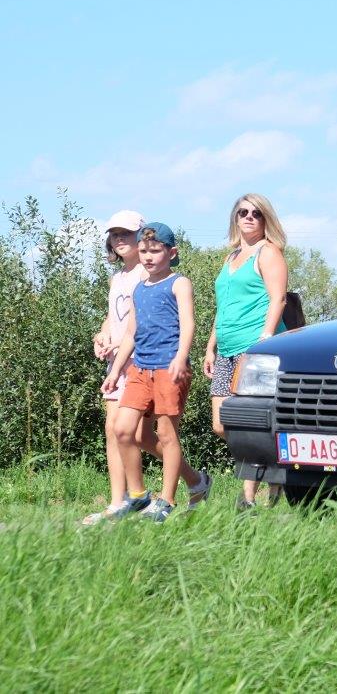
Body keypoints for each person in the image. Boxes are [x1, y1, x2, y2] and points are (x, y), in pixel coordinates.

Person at [82, 212, 210, 526]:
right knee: (124, 430)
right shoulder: (138, 288)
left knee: (166, 434)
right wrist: (114, 371)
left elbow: (188, 324)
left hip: (168, 367)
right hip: (139, 367)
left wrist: (181, 358)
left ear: (171, 252)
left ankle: (166, 500)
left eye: (154, 250)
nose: (148, 256)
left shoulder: (179, 283)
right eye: (145, 251)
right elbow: (130, 332)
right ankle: (138, 494)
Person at [205, 193, 288, 509]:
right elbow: (223, 307)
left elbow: (278, 298)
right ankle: (274, 466)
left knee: (249, 422)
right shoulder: (231, 258)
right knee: (221, 424)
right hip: (226, 349)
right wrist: (210, 347)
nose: (249, 217)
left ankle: (248, 499)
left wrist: (266, 337)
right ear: (235, 218)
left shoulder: (268, 252)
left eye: (256, 213)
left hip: (253, 348)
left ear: (266, 219)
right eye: (243, 212)